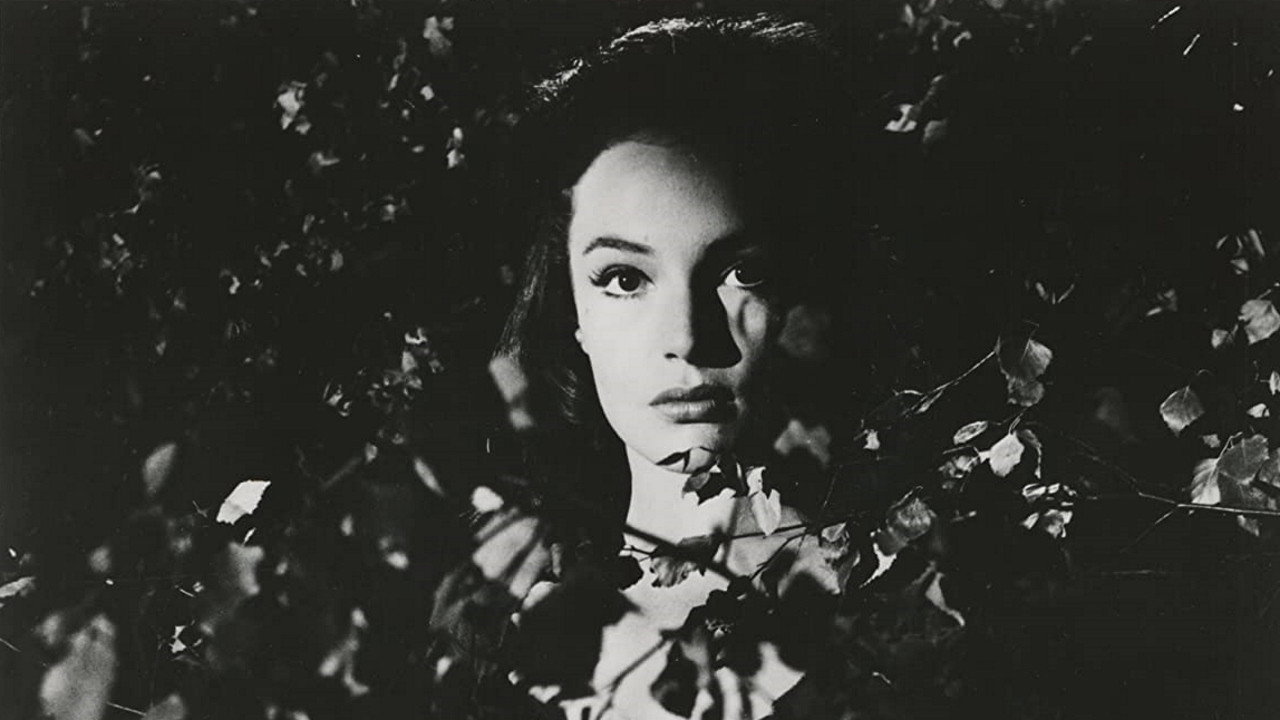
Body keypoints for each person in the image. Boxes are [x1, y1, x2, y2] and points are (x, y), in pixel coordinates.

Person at [492, 14, 862, 719]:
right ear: (572, 311)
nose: (689, 338)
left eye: (742, 272)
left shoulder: (896, 596)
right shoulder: (521, 645)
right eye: (625, 279)